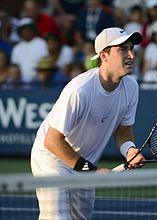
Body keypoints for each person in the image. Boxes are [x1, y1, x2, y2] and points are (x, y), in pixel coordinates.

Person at [30, 27, 145, 220]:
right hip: (51, 159)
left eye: (131, 48)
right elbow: (52, 141)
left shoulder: (132, 88)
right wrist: (93, 171)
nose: (131, 55)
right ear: (103, 55)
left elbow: (123, 130)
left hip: (84, 162)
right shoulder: (80, 90)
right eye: (123, 49)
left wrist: (130, 150)